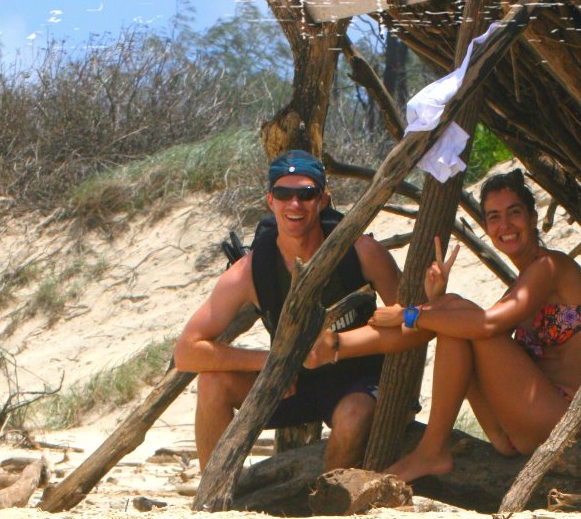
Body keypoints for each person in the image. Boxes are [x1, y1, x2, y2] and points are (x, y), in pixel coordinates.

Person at [306, 168, 581, 482]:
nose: (505, 225)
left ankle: (426, 445)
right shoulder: (523, 282)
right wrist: (435, 301)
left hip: (557, 424)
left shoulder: (552, 267)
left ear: (533, 218)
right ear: (486, 226)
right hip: (517, 429)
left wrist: (409, 314)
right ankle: (336, 346)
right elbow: (471, 328)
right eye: (494, 217)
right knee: (452, 315)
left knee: (457, 313)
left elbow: (487, 324)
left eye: (514, 213)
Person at [174, 149, 408, 472]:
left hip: (357, 377)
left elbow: (413, 324)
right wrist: (270, 362)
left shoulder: (362, 253)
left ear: (323, 200)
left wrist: (339, 348)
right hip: (294, 380)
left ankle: (327, 510)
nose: (294, 204)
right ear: (270, 200)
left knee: (354, 419)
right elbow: (186, 352)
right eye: (284, 194)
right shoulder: (250, 270)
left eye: (306, 194)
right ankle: (214, 503)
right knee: (212, 383)